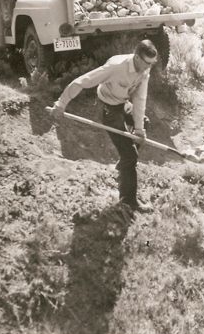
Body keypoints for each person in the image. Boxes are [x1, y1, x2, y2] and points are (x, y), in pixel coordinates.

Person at [51, 40, 158, 213]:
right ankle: (128, 201)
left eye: (152, 63)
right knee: (131, 155)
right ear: (137, 57)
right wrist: (61, 104)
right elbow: (82, 81)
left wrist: (139, 130)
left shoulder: (144, 69)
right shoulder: (116, 66)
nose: (149, 67)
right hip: (107, 108)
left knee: (143, 123)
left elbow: (139, 99)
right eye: (147, 63)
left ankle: (123, 164)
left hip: (122, 104)